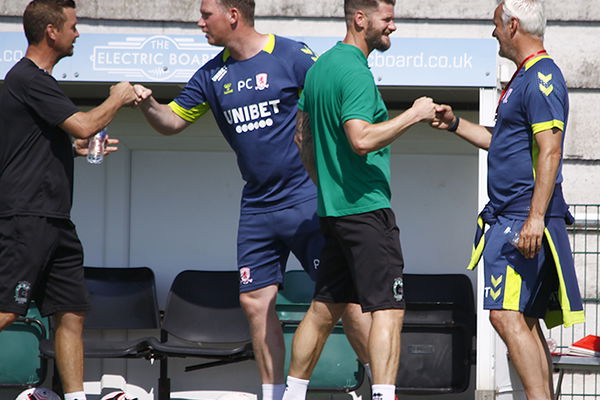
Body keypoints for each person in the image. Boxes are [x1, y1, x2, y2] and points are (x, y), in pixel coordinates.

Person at [132, 1, 371, 399]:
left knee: (343, 299)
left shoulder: (292, 55)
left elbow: (334, 99)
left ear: (233, 15)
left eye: (207, 13)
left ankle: (381, 383)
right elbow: (172, 121)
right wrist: (147, 105)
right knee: (255, 302)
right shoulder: (212, 74)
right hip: (258, 206)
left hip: (307, 199)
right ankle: (274, 394)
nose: (200, 21)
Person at [282, 1, 437, 400]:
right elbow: (361, 138)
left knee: (322, 311)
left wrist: (327, 185)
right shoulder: (355, 72)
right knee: (388, 309)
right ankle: (385, 396)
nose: (394, 27)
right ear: (360, 19)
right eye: (388, 19)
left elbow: (303, 139)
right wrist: (414, 114)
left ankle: (292, 395)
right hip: (367, 211)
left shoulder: (319, 69)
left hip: (334, 213)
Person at [431, 1, 584, 399]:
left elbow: (549, 150)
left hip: (520, 219)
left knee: (504, 315)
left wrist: (534, 218)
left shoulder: (542, 76)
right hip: (512, 217)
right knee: (524, 320)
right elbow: (500, 141)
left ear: (513, 25)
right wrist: (454, 124)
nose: (493, 32)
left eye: (495, 24)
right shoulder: (522, 78)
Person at [0, 1, 138, 400]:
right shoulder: (28, 77)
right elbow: (83, 123)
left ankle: (75, 397)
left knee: (72, 311)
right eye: (73, 26)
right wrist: (117, 96)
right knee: (8, 309)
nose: (78, 34)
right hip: (26, 217)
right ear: (51, 32)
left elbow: (34, 145)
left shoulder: (40, 82)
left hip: (55, 220)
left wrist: (73, 151)